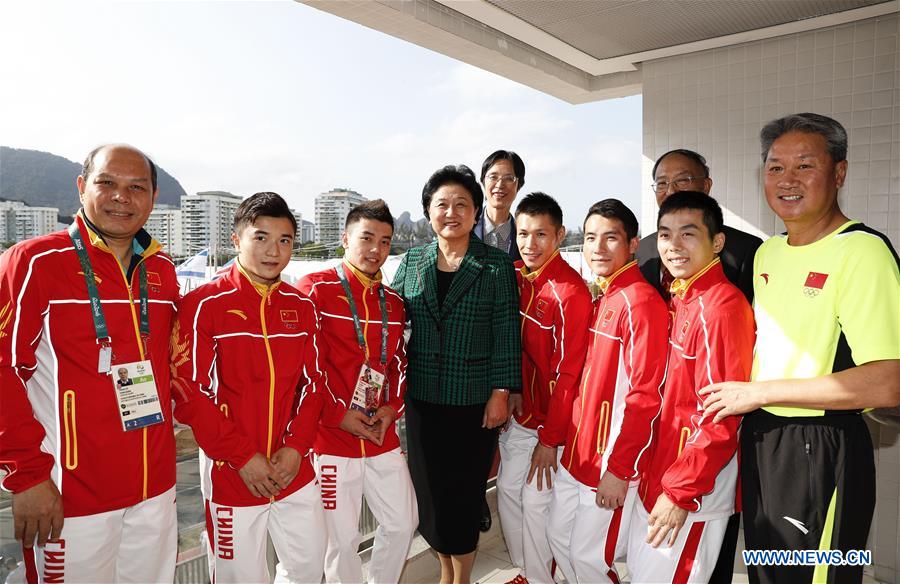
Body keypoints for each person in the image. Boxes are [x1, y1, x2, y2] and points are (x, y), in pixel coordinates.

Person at [700, 113, 900, 583]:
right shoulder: (769, 253)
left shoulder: (863, 252)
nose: (786, 180)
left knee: (817, 577)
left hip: (823, 448)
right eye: (774, 168)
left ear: (839, 173)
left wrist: (761, 392)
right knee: (769, 573)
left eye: (804, 166)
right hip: (763, 437)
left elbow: (888, 381)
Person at [0, 144, 180, 581]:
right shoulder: (34, 262)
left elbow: (175, 368)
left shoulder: (162, 270)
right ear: (82, 188)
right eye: (107, 183)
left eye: (137, 187)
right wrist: (25, 476)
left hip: (155, 490)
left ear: (153, 198)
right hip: (70, 494)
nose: (122, 197)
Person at [170, 192, 332, 583]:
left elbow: (315, 384)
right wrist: (243, 457)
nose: (273, 250)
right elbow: (187, 392)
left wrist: (296, 448)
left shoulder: (303, 306)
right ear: (236, 239)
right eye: (261, 237)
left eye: (285, 240)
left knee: (310, 569)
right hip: (231, 473)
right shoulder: (203, 304)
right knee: (240, 578)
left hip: (294, 467)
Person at [392, 165, 521, 584]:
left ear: (476, 211)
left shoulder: (496, 266)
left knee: (464, 494)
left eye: (462, 204)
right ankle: (446, 570)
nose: (451, 212)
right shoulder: (411, 261)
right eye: (442, 204)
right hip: (422, 398)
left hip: (473, 401)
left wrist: (501, 391)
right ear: (428, 211)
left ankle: (459, 578)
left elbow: (506, 332)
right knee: (429, 494)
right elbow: (391, 327)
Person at [627, 191, 755, 583]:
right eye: (665, 235)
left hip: (694, 488)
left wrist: (681, 493)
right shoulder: (683, 296)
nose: (673, 246)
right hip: (667, 472)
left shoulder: (719, 308)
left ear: (717, 242)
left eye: (688, 234)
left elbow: (721, 414)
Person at [547, 199, 669, 584]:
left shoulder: (642, 303)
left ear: (633, 244)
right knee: (558, 539)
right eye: (591, 238)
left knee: (590, 559)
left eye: (610, 238)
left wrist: (619, 470)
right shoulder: (605, 296)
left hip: (608, 464)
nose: (598, 248)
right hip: (577, 456)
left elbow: (644, 397)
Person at [297, 199, 417, 584]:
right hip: (331, 437)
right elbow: (304, 369)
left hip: (379, 432)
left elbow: (398, 361)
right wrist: (337, 415)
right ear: (345, 238)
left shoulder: (394, 302)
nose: (375, 250)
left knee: (403, 523)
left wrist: (392, 408)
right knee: (341, 540)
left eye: (385, 242)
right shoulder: (314, 290)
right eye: (366, 238)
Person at [496, 192, 591, 584]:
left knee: (536, 503)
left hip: (557, 423)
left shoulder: (570, 293)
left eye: (540, 235)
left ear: (559, 235)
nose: (529, 244)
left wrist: (551, 440)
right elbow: (515, 346)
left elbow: (569, 375)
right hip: (525, 410)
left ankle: (542, 576)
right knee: (507, 491)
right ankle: (528, 570)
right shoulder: (521, 278)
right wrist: (513, 389)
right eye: (522, 234)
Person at [638, 149, 762, 304]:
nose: (670, 191)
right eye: (662, 183)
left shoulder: (747, 249)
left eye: (682, 180)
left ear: (706, 185)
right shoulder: (641, 251)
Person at [474, 150, 525, 262]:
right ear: (483, 181)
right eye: (493, 177)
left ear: (519, 185)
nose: (500, 184)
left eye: (509, 178)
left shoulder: (524, 236)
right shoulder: (465, 229)